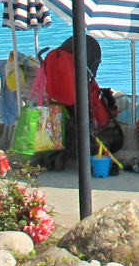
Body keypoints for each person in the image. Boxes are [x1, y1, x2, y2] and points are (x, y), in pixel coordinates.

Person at [38, 36, 122, 169]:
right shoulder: (73, 67)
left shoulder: (56, 59)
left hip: (57, 97)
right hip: (75, 100)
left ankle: (55, 157)